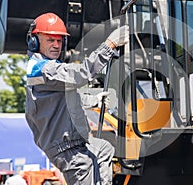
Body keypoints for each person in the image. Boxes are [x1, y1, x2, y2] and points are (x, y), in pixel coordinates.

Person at [25, 12, 129, 184]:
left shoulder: (50, 68)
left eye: (59, 40)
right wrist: (109, 45)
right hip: (67, 149)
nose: (56, 45)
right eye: (50, 40)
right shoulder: (42, 69)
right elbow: (80, 75)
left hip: (72, 144)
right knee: (87, 164)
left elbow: (67, 100)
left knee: (103, 149)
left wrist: (95, 100)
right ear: (34, 42)